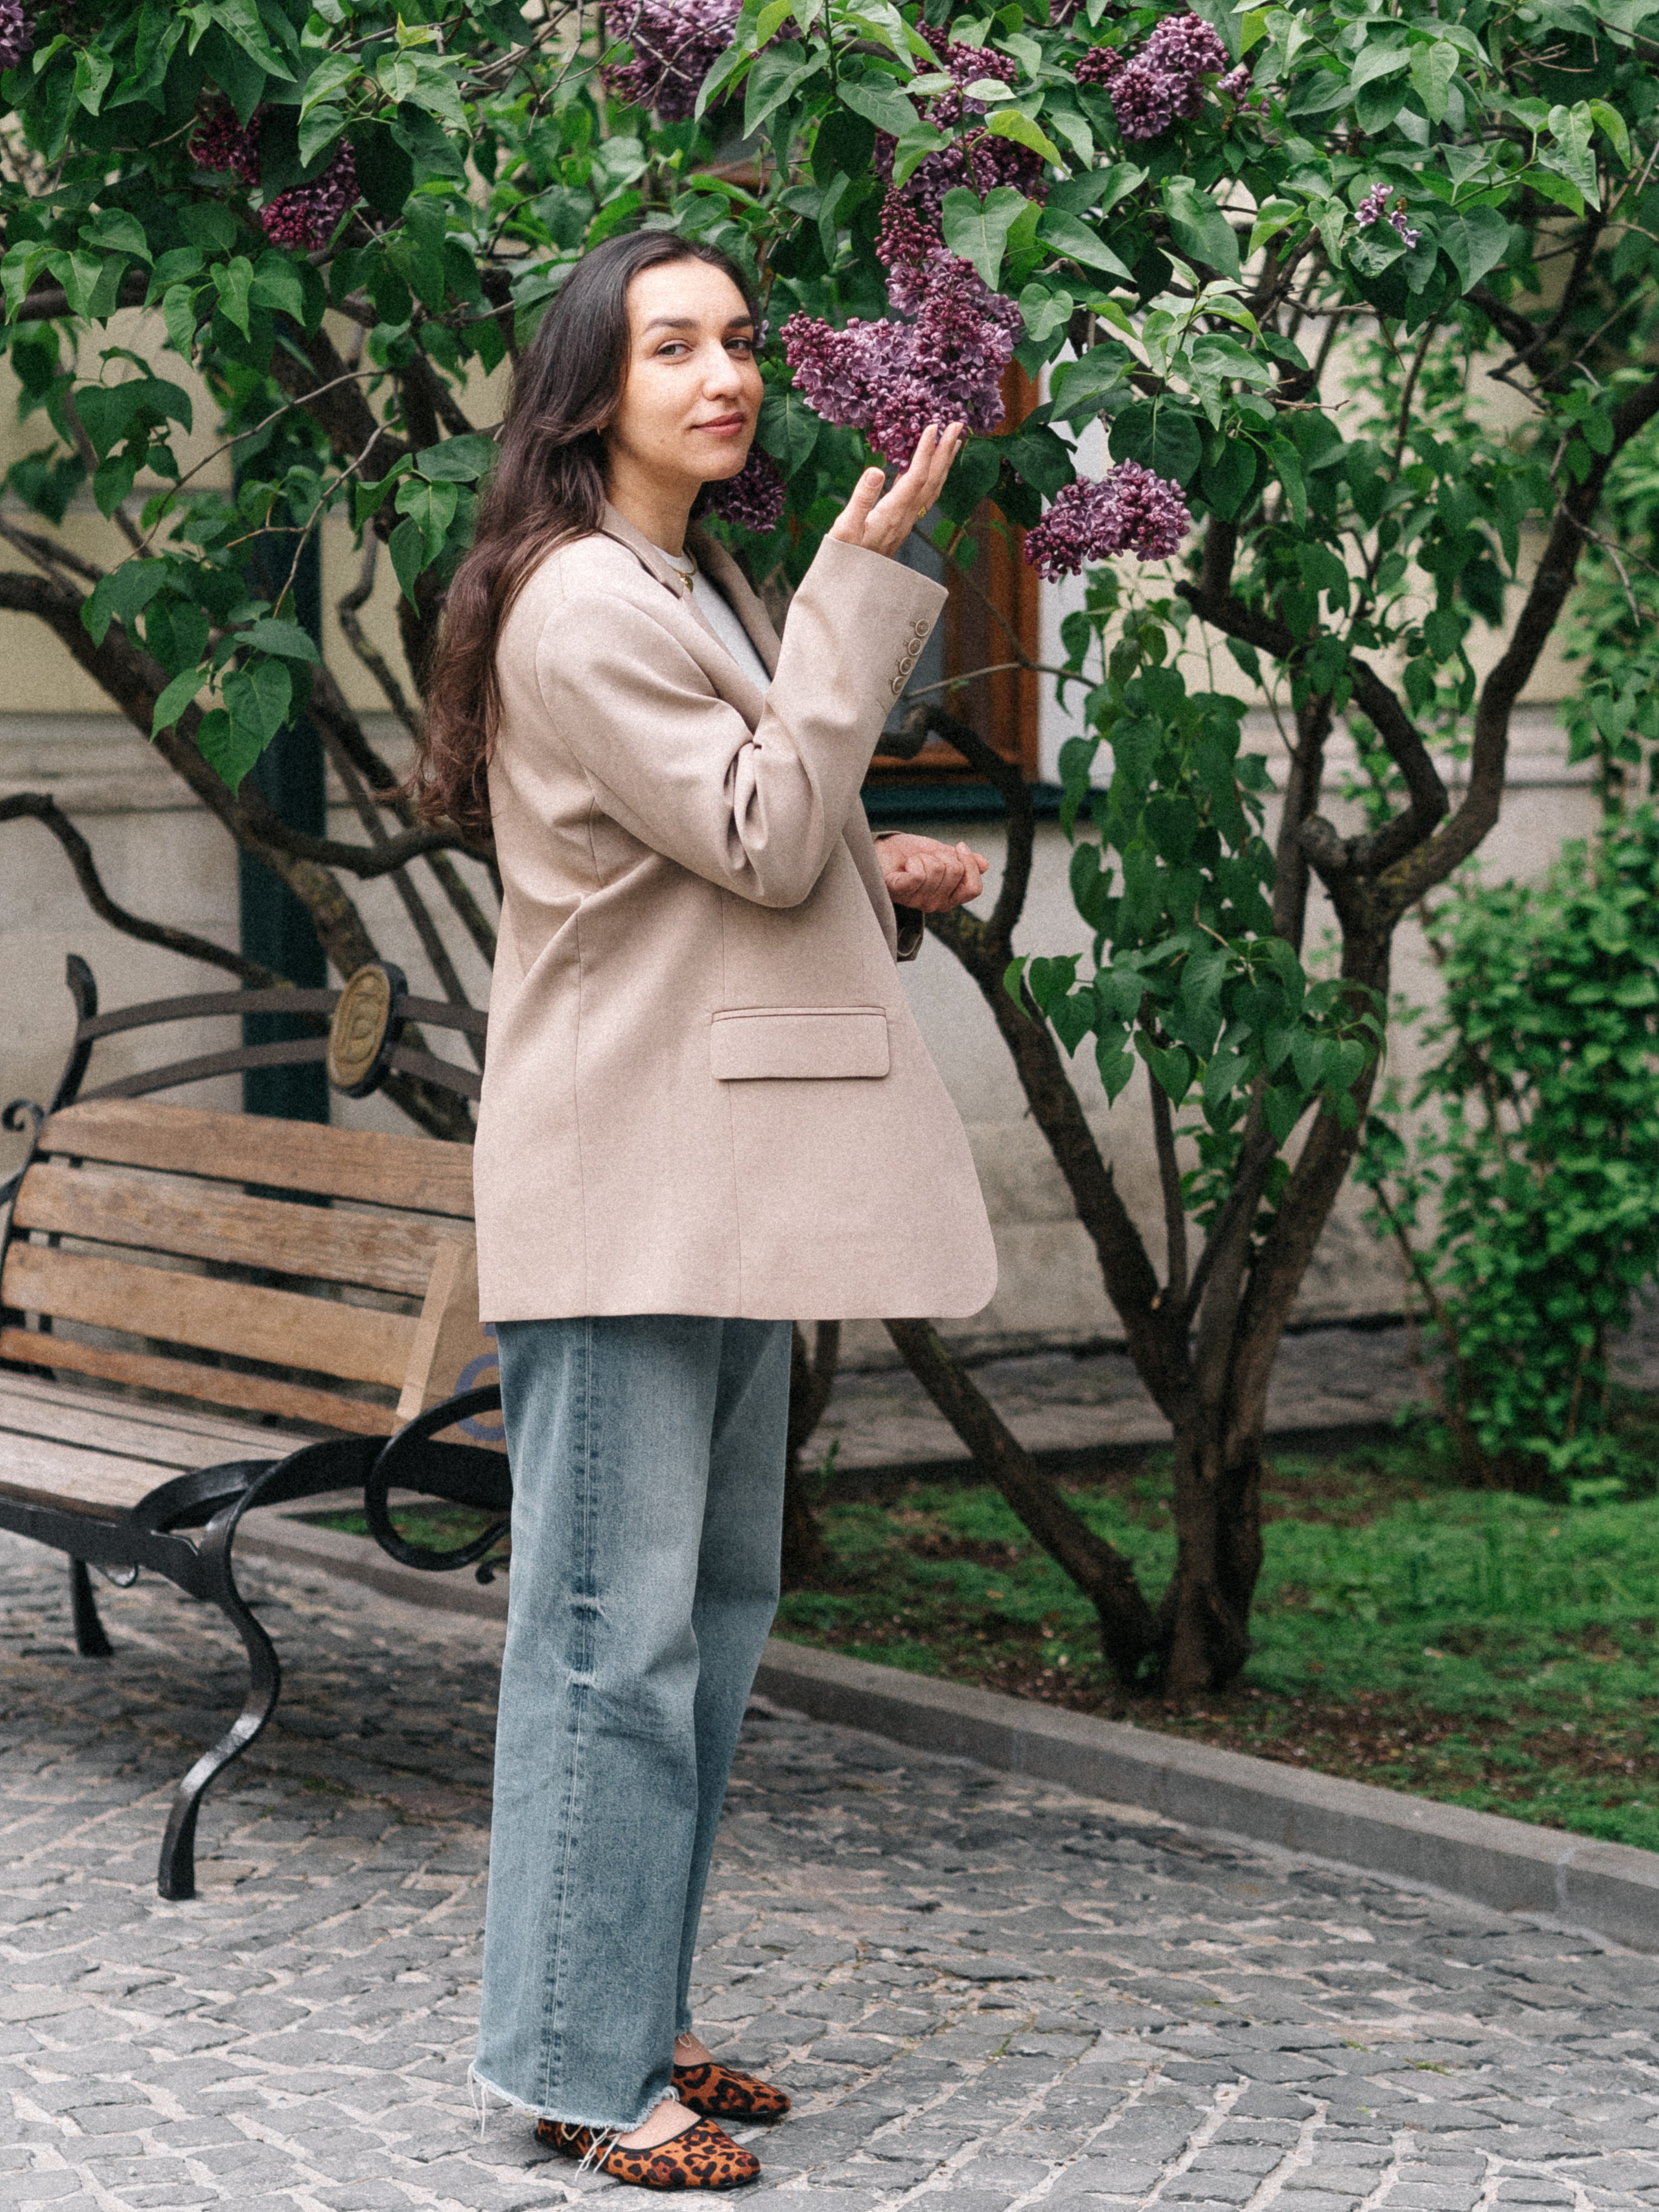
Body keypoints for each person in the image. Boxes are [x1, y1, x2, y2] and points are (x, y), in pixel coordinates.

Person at [416, 227, 998, 2191]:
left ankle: (622, 2001)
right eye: (675, 345)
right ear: (592, 388)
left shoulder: (684, 579)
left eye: (741, 339)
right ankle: (579, 2071)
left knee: (707, 1620)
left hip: (712, 1182)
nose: (726, 372)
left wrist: (871, 868)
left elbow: (741, 829)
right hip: (627, 1192)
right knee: (609, 1640)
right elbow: (753, 832)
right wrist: (865, 581)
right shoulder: (585, 603)